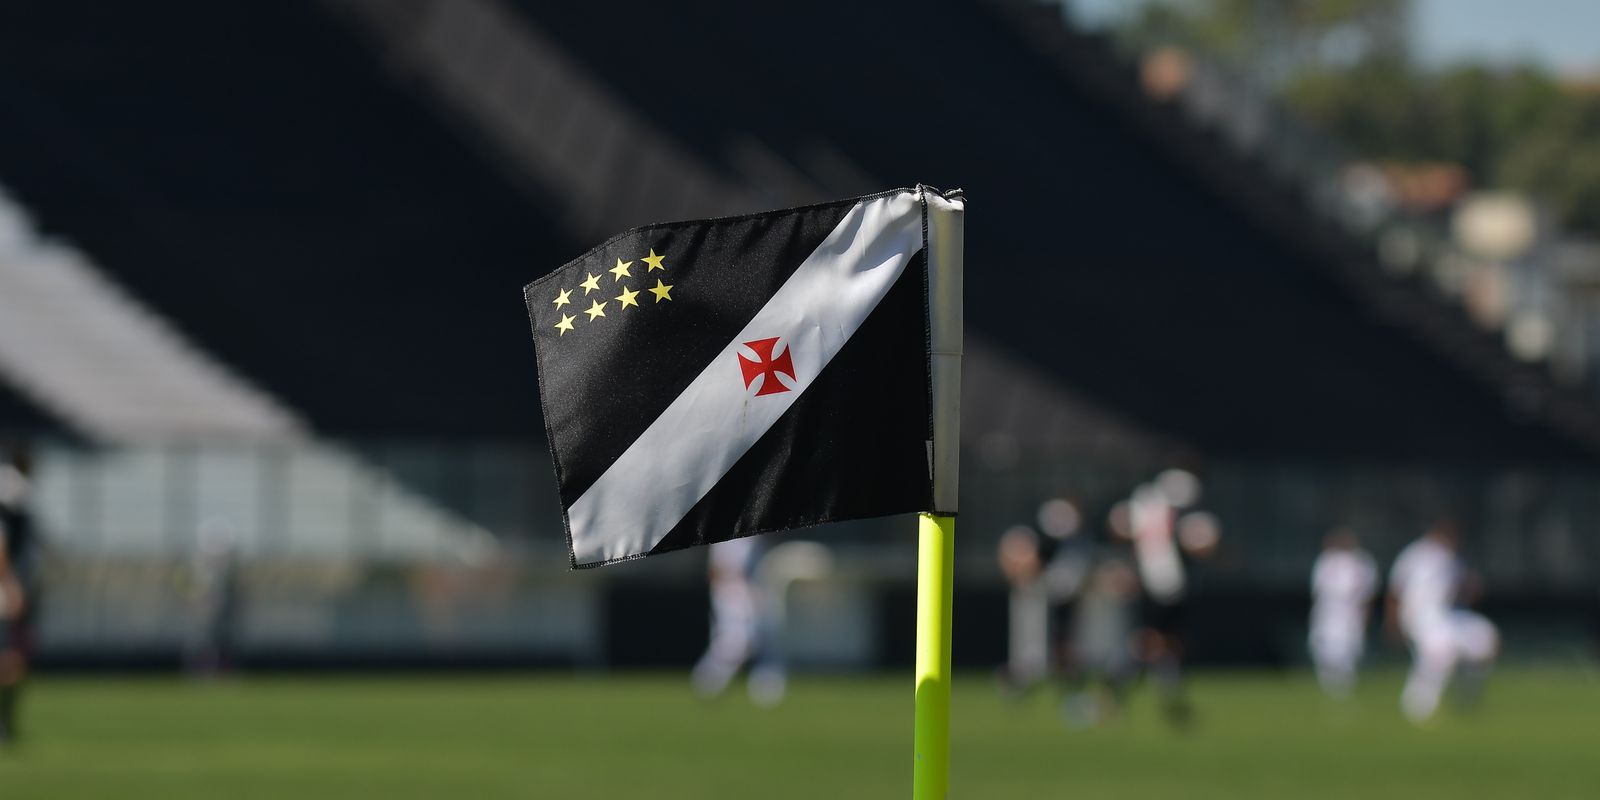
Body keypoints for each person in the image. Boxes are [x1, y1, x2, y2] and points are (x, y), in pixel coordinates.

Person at [1387, 519, 1500, 723]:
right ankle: (1417, 708)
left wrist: (1472, 588)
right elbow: (1396, 590)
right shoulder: (1415, 555)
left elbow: (1462, 592)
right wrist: (1393, 622)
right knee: (1440, 653)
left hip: (1446, 616)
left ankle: (1466, 699)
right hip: (1418, 617)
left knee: (1484, 639)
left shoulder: (1454, 559)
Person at [691, 536, 785, 706]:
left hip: (753, 591)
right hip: (731, 593)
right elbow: (718, 570)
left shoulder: (756, 540)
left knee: (763, 637)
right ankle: (707, 679)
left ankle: (766, 686)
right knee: (736, 642)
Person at [1308, 528, 1378, 698]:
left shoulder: (1362, 562)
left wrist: (1364, 614)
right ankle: (1328, 685)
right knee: (1322, 648)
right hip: (1328, 610)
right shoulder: (1326, 560)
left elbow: (1368, 592)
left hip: (1350, 612)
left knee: (1348, 650)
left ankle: (1344, 687)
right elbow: (1318, 590)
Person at [0, 444, 37, 745]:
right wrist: (10, 584)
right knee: (11, 659)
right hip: (4, 590)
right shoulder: (13, 493)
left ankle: (7, 724)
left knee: (14, 658)